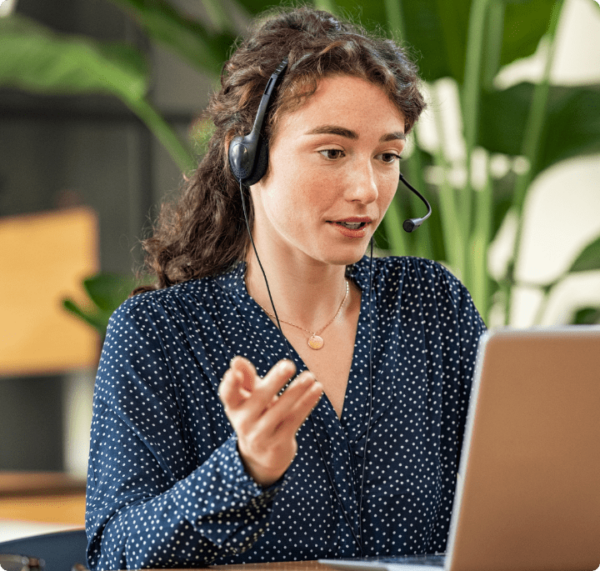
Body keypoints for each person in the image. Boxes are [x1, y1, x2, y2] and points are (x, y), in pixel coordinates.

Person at [85, 6, 486, 570]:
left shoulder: (431, 304)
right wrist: (245, 470)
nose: (367, 189)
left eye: (387, 156)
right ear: (247, 156)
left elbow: (507, 500)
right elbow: (115, 553)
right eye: (332, 151)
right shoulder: (159, 335)